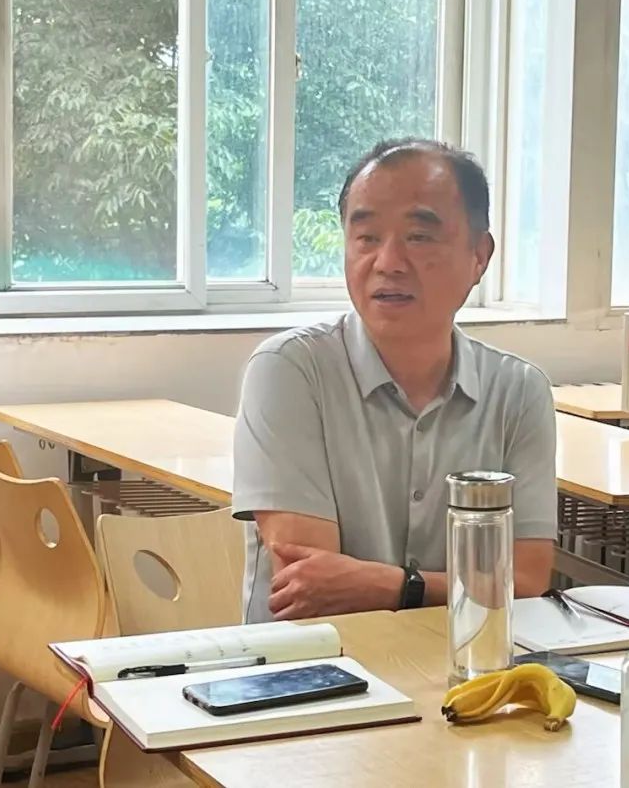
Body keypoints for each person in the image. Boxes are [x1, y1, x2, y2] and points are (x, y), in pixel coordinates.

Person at [232, 138, 557, 623]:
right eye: (366, 237)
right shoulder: (290, 370)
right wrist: (463, 587)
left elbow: (527, 581)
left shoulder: (519, 391)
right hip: (315, 661)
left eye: (419, 237)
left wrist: (394, 586)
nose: (387, 262)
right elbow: (310, 587)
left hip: (460, 660)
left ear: (479, 255)